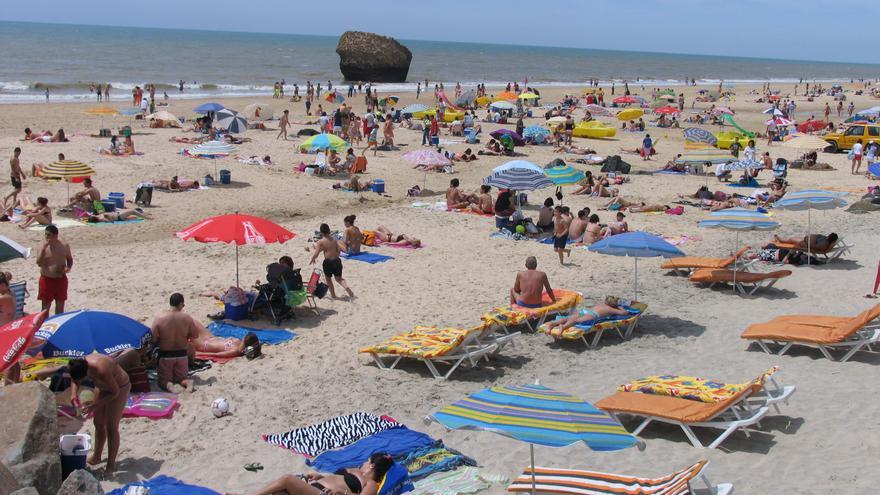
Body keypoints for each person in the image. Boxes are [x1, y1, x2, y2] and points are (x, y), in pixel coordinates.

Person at [68, 355, 130, 472]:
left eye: (81, 380)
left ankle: (111, 465)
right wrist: (73, 394)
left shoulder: (101, 369)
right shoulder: (78, 364)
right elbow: (74, 379)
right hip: (101, 387)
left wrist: (95, 405)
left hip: (119, 387)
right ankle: (96, 456)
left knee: (111, 426)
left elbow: (114, 392)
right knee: (98, 423)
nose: (80, 382)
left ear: (86, 373)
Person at [229, 452, 393, 495]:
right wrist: (319, 476)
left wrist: (343, 493)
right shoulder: (353, 469)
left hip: (324, 494)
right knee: (280, 493)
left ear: (371, 466)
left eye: (367, 460)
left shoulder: (371, 484)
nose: (363, 462)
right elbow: (335, 479)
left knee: (287, 479)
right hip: (313, 488)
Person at [150, 293, 199, 392]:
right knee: (182, 378)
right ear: (180, 303)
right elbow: (195, 335)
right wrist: (185, 336)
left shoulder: (160, 318)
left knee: (164, 380)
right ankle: (187, 383)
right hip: (182, 355)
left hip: (166, 356)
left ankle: (170, 386)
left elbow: (153, 339)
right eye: (183, 304)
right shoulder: (186, 318)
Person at [542, 296, 631, 336]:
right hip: (592, 315)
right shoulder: (610, 309)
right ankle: (563, 327)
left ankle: (552, 324)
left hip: (586, 310)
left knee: (567, 318)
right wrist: (619, 307)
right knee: (577, 321)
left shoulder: (601, 304)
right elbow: (625, 313)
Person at [309, 223, 354, 299]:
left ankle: (333, 295)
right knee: (339, 279)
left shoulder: (321, 242)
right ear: (329, 231)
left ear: (321, 232)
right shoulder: (335, 239)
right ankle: (346, 287)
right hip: (337, 261)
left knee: (328, 279)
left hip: (328, 262)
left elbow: (316, 253)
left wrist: (312, 259)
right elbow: (339, 251)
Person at [35, 224, 71, 314]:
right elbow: (39, 263)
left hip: (61, 279)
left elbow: (69, 259)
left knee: (60, 307)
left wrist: (68, 267)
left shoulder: (64, 245)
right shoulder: (42, 247)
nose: (46, 237)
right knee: (45, 308)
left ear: (56, 235)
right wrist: (43, 250)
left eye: (49, 235)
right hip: (47, 279)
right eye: (45, 234)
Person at [193, 330, 261, 360]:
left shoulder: (236, 351)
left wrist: (199, 353)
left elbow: (216, 354)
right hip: (211, 338)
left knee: (188, 323)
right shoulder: (239, 342)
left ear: (245, 339)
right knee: (194, 322)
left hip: (204, 345)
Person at [772, 233, 838, 252]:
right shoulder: (826, 240)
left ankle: (780, 240)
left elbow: (814, 248)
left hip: (805, 244)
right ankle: (781, 240)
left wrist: (810, 240)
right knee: (793, 238)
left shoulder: (824, 244)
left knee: (791, 239)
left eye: (829, 235)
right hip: (805, 240)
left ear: (830, 237)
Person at [86, 208, 150, 223]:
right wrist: (106, 216)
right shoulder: (101, 219)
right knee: (132, 211)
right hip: (119, 216)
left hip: (118, 213)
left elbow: (90, 215)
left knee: (132, 212)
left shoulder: (97, 216)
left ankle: (145, 214)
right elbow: (110, 221)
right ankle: (147, 217)